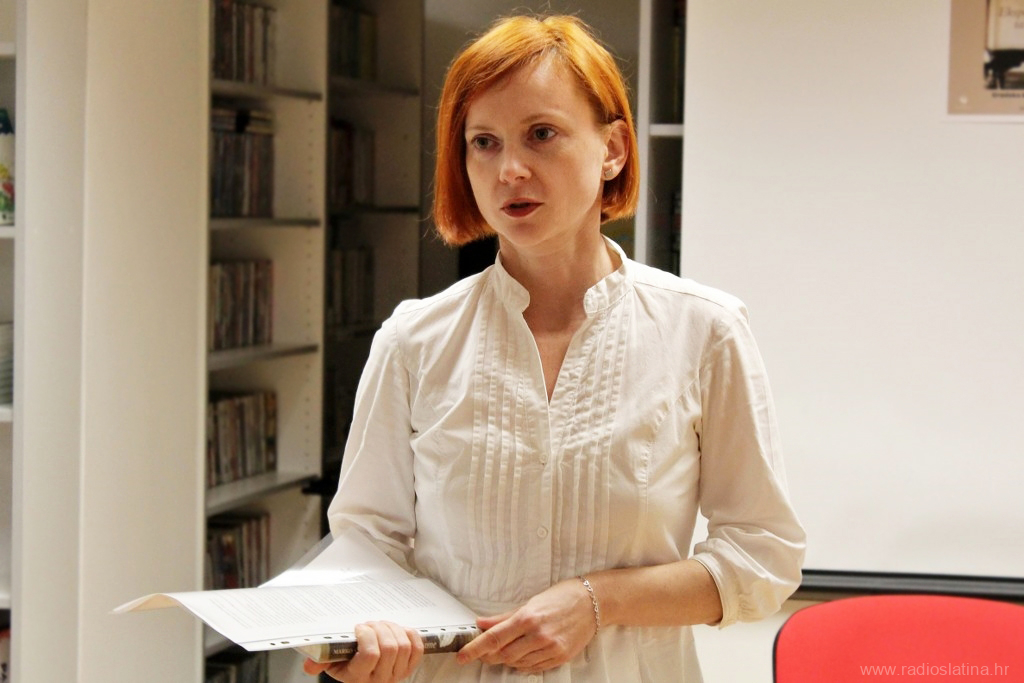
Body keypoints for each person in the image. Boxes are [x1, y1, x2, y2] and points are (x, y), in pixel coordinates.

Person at [304, 14, 805, 683]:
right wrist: (361, 633)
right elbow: (366, 541)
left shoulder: (705, 330)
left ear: (613, 149)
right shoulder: (412, 341)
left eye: (541, 133)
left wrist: (598, 601)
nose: (509, 169)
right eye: (483, 143)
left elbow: (763, 556)